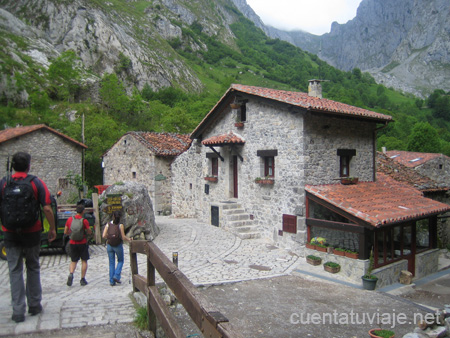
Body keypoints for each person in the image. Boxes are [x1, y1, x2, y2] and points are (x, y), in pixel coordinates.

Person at [0, 152, 56, 323]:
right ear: (29, 165)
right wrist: (52, 228)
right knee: (32, 266)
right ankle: (34, 304)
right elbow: (47, 207)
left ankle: (18, 311)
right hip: (32, 231)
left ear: (13, 166)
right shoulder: (35, 183)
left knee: (14, 269)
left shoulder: (3, 183)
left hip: (10, 233)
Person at [64, 204, 92, 286]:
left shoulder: (70, 220)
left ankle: (71, 273)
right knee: (84, 260)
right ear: (83, 211)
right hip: (82, 242)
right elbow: (89, 231)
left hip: (72, 243)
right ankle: (82, 279)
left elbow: (65, 231)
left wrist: (71, 234)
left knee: (73, 260)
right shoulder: (84, 221)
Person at [102, 210, 132, 286]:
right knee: (120, 260)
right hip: (118, 245)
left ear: (113, 216)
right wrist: (129, 239)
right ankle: (116, 275)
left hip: (109, 245)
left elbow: (104, 235)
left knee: (111, 263)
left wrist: (109, 237)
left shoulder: (108, 224)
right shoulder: (120, 225)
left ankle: (112, 281)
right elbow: (123, 237)